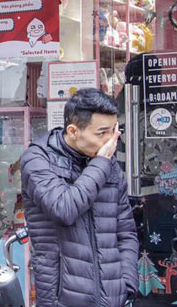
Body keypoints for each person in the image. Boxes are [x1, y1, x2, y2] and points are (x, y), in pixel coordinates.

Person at [20, 88, 139, 307]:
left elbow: (125, 231)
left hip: (113, 296)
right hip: (62, 298)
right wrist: (101, 163)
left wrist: (127, 284)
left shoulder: (107, 163)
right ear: (73, 131)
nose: (111, 141)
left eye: (114, 131)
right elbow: (63, 209)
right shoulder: (38, 159)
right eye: (102, 133)